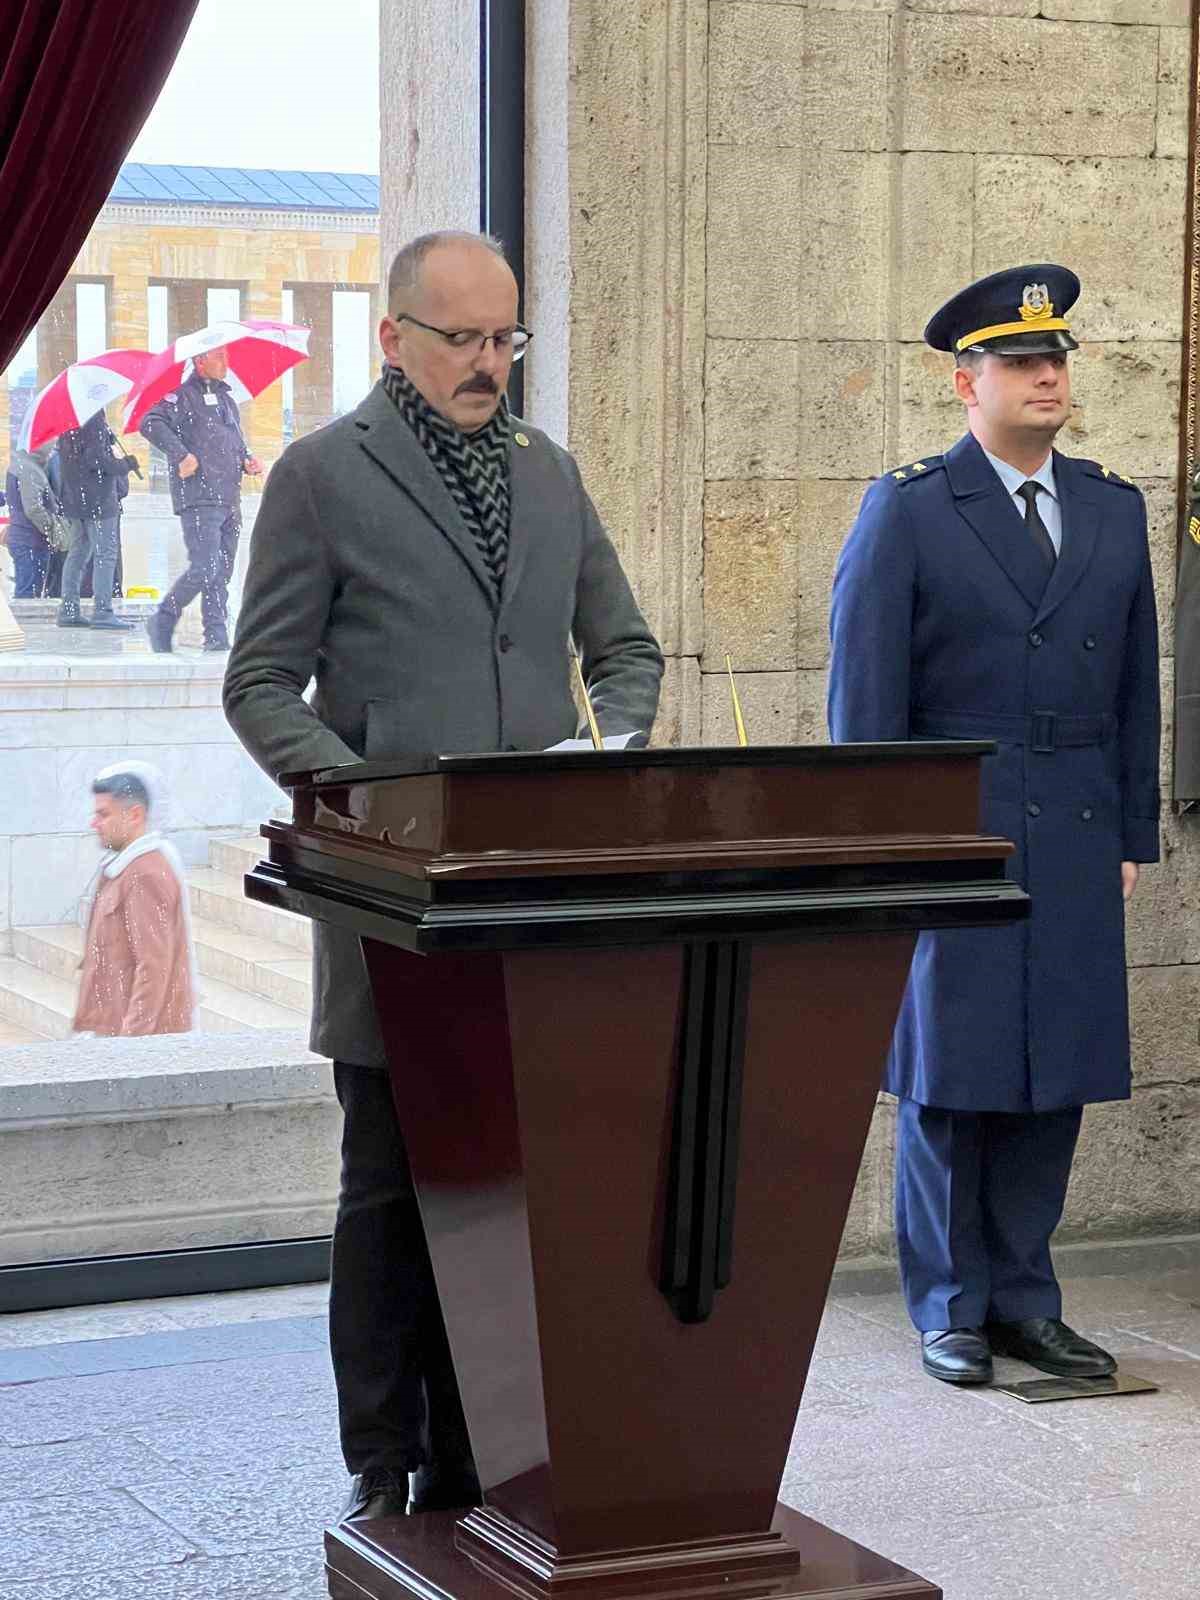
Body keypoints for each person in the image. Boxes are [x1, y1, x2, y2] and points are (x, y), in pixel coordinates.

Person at [223, 230, 664, 1521]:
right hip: (388, 900)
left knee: (516, 1185)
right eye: (463, 338)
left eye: (505, 339)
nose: (488, 364)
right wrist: (369, 802)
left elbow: (624, 645)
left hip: (534, 901)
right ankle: (381, 1457)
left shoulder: (550, 473)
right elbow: (258, 686)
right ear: (393, 337)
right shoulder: (318, 477)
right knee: (389, 1188)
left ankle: (493, 1450)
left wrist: (610, 747)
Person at [828, 264, 1161, 1387]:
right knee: (949, 1073)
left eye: (1057, 358)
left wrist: (1129, 832)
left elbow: (1135, 690)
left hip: (1070, 823)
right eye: (1022, 362)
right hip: (954, 823)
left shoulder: (1114, 507)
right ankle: (949, 1304)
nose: (1047, 375)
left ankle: (1027, 1297)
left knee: (1053, 1068)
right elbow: (865, 699)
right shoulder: (912, 507)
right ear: (964, 381)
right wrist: (883, 845)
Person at [141, 346, 263, 653]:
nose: (227, 363)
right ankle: (164, 617)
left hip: (228, 496)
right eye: (219, 357)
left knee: (222, 570)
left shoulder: (226, 400)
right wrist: (181, 454)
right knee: (205, 567)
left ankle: (216, 634)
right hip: (199, 495)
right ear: (199, 361)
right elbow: (150, 423)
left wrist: (247, 459)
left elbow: (234, 441)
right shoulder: (180, 396)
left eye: (227, 356)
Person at [74, 762, 196, 1037]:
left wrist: (130, 1047)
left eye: (103, 814)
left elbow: (154, 968)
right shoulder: (124, 868)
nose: (95, 823)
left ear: (135, 815)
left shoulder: (145, 874)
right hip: (114, 1032)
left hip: (137, 1041)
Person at [55, 411, 139, 629]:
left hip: (76, 500)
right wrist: (125, 464)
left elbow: (79, 459)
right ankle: (103, 612)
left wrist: (106, 440)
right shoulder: (93, 419)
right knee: (105, 554)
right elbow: (97, 461)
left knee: (78, 553)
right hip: (99, 500)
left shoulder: (67, 421)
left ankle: (69, 610)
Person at [5, 443, 70, 598]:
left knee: (29, 590)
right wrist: (52, 529)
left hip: (28, 538)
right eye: (51, 444)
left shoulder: (24, 465)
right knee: (28, 594)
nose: (52, 449)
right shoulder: (29, 470)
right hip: (30, 540)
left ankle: (23, 620)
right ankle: (23, 622)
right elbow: (33, 508)